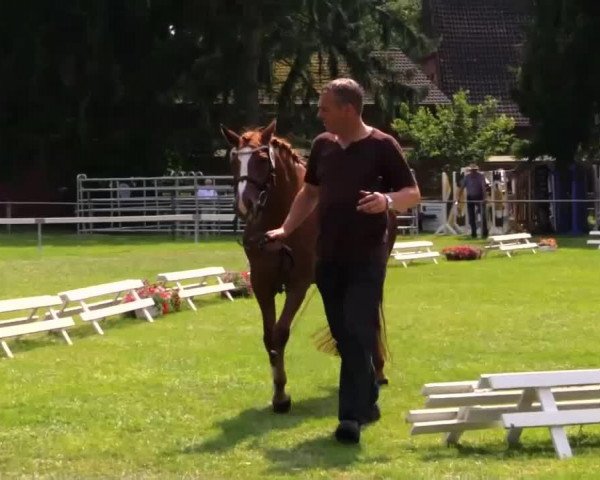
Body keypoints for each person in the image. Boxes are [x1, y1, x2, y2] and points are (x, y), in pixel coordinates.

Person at [266, 78, 421, 444]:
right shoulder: (323, 146)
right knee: (342, 334)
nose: (319, 115)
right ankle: (366, 397)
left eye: (325, 109)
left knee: (357, 329)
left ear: (348, 110)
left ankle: (349, 418)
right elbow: (310, 191)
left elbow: (412, 193)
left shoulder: (383, 146)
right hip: (329, 257)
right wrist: (285, 229)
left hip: (367, 256)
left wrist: (385, 201)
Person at [456, 164, 488, 238]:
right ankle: (474, 233)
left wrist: (485, 198)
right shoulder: (466, 177)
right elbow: (461, 188)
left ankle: (485, 233)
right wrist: (458, 198)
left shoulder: (481, 176)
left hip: (480, 197)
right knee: (471, 216)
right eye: (472, 170)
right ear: (470, 171)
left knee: (483, 215)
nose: (473, 172)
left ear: (476, 170)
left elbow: (483, 188)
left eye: (475, 170)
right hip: (470, 197)